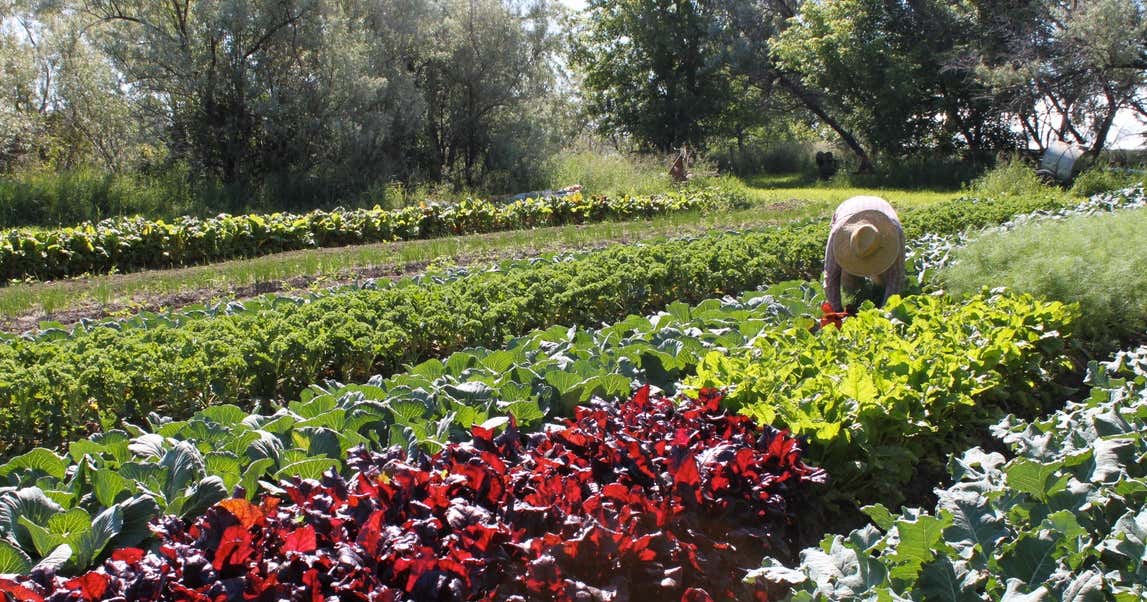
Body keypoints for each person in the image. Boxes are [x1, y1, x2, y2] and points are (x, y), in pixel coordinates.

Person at [823, 195, 905, 313]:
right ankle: (855, 292)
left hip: (881, 208)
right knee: (848, 279)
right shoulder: (838, 234)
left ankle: (878, 292)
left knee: (884, 279)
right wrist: (837, 313)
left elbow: (896, 277)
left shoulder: (894, 233)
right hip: (848, 208)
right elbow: (830, 276)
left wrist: (885, 312)